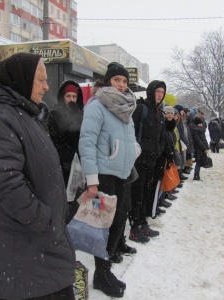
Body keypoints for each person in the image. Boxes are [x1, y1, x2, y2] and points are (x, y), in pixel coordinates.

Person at [0, 52, 75, 300]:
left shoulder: (24, 114)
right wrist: (41, 218)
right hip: (24, 249)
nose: (46, 86)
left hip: (39, 245)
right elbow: (4, 182)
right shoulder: (2, 117)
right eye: (40, 80)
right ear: (22, 80)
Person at [79, 62, 140, 298]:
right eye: (117, 80)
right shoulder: (97, 105)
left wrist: (133, 151)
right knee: (102, 225)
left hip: (122, 173)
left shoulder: (126, 108)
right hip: (104, 174)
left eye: (124, 81)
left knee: (118, 223)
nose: (121, 85)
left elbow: (131, 138)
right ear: (107, 82)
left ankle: (105, 270)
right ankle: (101, 273)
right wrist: (92, 180)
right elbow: (87, 143)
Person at [129, 80, 166, 243]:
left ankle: (142, 222)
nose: (160, 95)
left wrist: (158, 150)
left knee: (146, 193)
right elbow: (131, 131)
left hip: (152, 160)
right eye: (158, 91)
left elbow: (162, 137)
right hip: (138, 160)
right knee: (137, 194)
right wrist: (140, 148)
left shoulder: (160, 113)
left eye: (162, 92)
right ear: (151, 91)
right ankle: (134, 227)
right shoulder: (141, 109)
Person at [48, 80, 84, 186]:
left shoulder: (81, 114)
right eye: (68, 96)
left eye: (74, 96)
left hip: (80, 162)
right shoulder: (54, 114)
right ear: (62, 97)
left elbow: (83, 136)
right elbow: (56, 139)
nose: (71, 100)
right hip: (63, 163)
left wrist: (77, 116)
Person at [191, 117, 209, 181]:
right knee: (198, 162)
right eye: (199, 124)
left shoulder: (201, 130)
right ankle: (196, 176)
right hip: (198, 148)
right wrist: (204, 148)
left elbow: (204, 139)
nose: (201, 125)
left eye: (201, 123)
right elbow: (198, 141)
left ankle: (197, 175)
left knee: (199, 162)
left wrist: (206, 147)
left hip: (201, 148)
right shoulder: (195, 130)